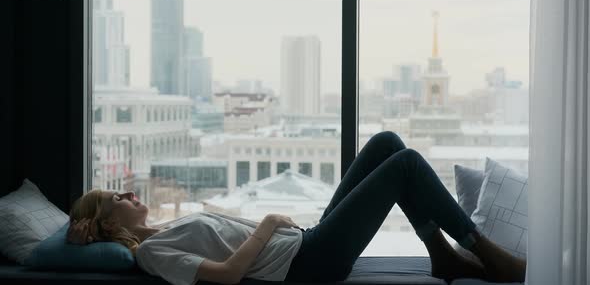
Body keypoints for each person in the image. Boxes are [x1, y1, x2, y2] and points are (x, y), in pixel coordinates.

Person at [68, 131, 526, 285]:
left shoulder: (163, 231)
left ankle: (441, 255)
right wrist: (266, 223)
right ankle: (480, 247)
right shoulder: (151, 254)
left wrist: (275, 230)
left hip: (304, 241)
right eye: (118, 199)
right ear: (108, 221)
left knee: (387, 144)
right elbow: (228, 275)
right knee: (405, 165)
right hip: (307, 264)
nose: (129, 195)